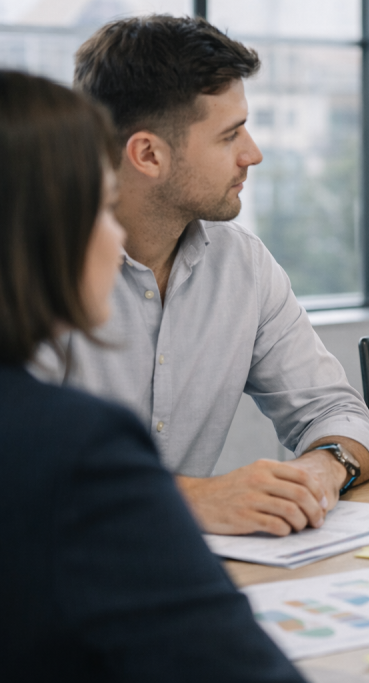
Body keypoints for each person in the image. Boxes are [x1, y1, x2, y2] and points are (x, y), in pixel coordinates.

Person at [0, 69, 305, 683]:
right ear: (38, 233)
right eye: (99, 207)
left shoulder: (243, 263)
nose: (116, 238)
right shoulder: (74, 445)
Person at [40, 15, 369, 537]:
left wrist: (321, 467)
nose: (253, 153)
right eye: (230, 136)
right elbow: (22, 471)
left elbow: (339, 413)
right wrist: (195, 499)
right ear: (148, 154)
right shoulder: (30, 269)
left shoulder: (242, 265)